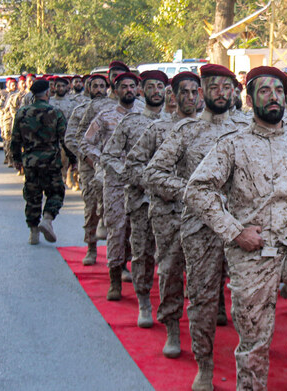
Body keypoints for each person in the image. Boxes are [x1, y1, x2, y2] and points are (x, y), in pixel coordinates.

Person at [184, 66, 287, 391]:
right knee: (255, 340)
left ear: (286, 97)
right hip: (252, 250)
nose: (272, 97)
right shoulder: (232, 144)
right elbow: (197, 190)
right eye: (264, 91)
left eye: (278, 90)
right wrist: (234, 231)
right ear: (250, 98)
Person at [145, 64, 250, 390]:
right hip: (200, 228)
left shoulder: (247, 128)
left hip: (243, 228)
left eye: (227, 87)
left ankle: (248, 363)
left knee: (249, 298)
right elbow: (154, 173)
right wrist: (191, 190)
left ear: (234, 92)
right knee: (202, 298)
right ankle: (204, 364)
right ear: (203, 93)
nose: (221, 92)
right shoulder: (186, 131)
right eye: (214, 87)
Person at [125, 71, 200, 358]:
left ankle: (199, 329)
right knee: (169, 269)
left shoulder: (209, 130)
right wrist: (161, 187)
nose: (190, 98)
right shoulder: (157, 130)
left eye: (195, 92)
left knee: (201, 274)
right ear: (174, 96)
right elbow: (134, 165)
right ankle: (171, 325)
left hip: (202, 214)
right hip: (167, 212)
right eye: (185, 92)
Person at [102, 70, 168, 328]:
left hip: (170, 203)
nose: (155, 91)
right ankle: (143, 301)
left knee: (170, 256)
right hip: (141, 201)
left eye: (160, 87)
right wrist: (130, 175)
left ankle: (168, 308)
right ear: (142, 91)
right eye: (150, 87)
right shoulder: (130, 123)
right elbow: (108, 156)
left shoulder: (176, 123)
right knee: (141, 252)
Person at [81, 72, 142, 301]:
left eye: (132, 86)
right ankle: (114, 278)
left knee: (135, 230)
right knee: (117, 228)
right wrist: (103, 158)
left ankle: (130, 269)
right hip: (115, 182)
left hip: (139, 182)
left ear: (137, 89)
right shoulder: (105, 117)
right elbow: (86, 143)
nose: (128, 90)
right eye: (123, 87)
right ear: (115, 92)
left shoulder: (146, 116)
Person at [10, 79, 74, 244]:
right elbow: (65, 139)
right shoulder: (55, 112)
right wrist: (73, 159)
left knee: (32, 195)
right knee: (56, 192)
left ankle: (33, 232)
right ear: (47, 93)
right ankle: (47, 219)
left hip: (30, 161)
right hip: (51, 161)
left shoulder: (22, 112)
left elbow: (15, 139)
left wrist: (16, 158)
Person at [66, 74, 109, 266]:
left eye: (102, 86)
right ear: (88, 88)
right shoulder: (80, 110)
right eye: (95, 86)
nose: (99, 89)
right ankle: (91, 247)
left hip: (110, 166)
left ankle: (118, 257)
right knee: (92, 208)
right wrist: (87, 158)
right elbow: (71, 139)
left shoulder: (114, 109)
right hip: (90, 167)